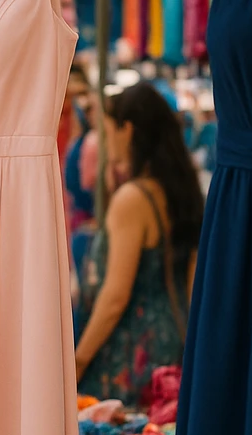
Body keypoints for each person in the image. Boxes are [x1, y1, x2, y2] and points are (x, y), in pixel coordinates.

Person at [75, 81, 204, 404]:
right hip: (172, 341)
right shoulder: (180, 192)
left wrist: (77, 360)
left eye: (108, 131)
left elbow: (115, 296)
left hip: (129, 353)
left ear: (127, 129)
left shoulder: (133, 200)